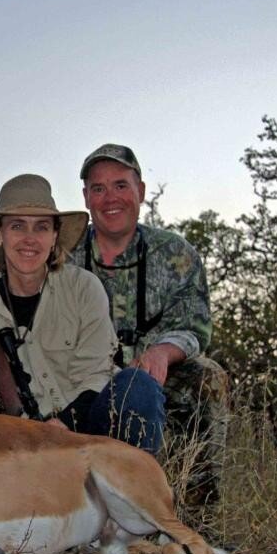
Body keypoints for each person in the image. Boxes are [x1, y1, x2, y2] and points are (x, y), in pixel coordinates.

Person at [0, 174, 165, 453]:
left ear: (54, 237)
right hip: (25, 448)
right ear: (0, 235)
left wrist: (62, 426)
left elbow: (97, 375)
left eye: (41, 227)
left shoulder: (83, 287)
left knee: (138, 385)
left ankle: (137, 490)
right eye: (17, 226)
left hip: (88, 432)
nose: (29, 239)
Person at [69, 144, 231, 503]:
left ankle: (195, 515)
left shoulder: (175, 253)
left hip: (152, 380)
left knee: (207, 378)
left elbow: (195, 326)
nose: (111, 198)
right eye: (99, 188)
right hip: (78, 383)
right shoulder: (62, 253)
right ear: (86, 198)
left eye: (121, 185)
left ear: (140, 190)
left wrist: (162, 353)